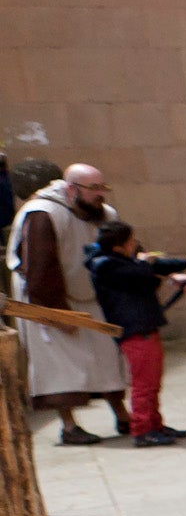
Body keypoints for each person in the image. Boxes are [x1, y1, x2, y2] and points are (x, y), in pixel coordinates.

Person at [7, 163, 133, 444]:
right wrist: (58, 313)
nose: (101, 195)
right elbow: (39, 267)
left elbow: (125, 249)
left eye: (103, 188)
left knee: (106, 355)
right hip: (46, 299)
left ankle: (122, 414)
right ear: (71, 189)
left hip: (90, 295)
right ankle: (69, 425)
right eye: (94, 189)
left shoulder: (104, 214)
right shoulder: (43, 214)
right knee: (60, 364)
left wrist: (156, 270)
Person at [83, 219, 186, 447]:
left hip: (145, 328)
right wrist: (148, 265)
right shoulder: (106, 265)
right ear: (118, 247)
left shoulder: (121, 260)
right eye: (130, 241)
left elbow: (152, 268)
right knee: (143, 384)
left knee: (152, 382)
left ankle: (155, 424)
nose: (134, 244)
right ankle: (142, 430)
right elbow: (141, 272)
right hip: (135, 331)